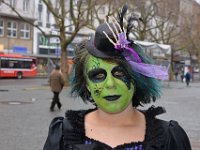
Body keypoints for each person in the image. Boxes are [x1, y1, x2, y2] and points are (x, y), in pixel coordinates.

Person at [43, 5, 191, 150]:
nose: (110, 84)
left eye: (120, 73)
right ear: (86, 83)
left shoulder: (168, 138)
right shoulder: (63, 136)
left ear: (136, 78)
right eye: (98, 75)